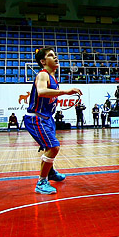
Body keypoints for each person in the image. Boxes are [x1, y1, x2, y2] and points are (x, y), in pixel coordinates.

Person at [23, 47, 82, 195]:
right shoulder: (43, 75)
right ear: (43, 61)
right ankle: (41, 182)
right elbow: (42, 92)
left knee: (50, 148)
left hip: (47, 118)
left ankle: (50, 172)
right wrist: (65, 92)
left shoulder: (53, 77)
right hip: (37, 118)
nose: (55, 57)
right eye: (51, 55)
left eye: (55, 55)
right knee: (54, 147)